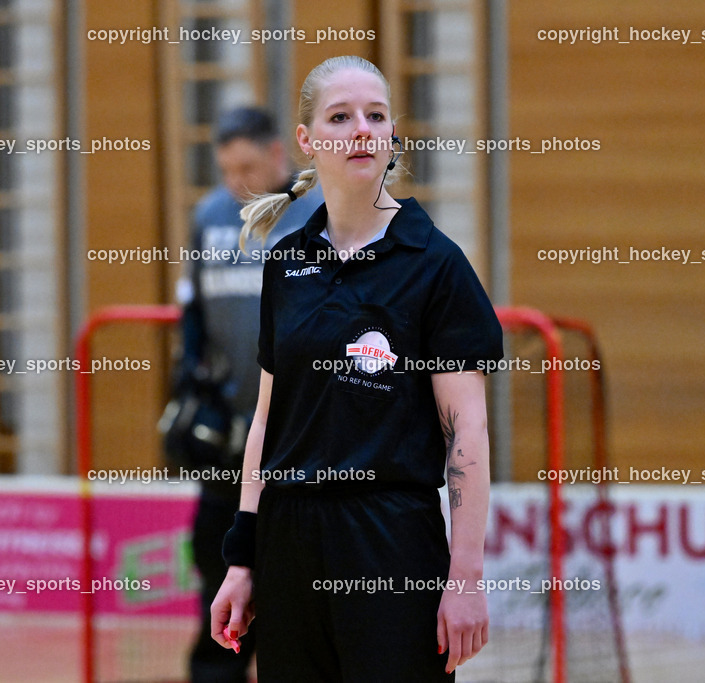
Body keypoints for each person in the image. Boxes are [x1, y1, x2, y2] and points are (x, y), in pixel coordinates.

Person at [210, 56, 504, 682]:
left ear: (393, 133)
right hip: (289, 545)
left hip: (391, 543)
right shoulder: (285, 263)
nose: (361, 130)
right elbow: (268, 419)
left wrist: (466, 579)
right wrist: (243, 557)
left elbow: (467, 436)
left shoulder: (435, 264)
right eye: (340, 117)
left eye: (375, 115)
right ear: (307, 141)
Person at [173, 106, 323, 683]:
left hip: (296, 435)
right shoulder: (210, 214)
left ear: (278, 156)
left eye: (247, 167)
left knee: (290, 581)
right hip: (230, 436)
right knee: (218, 569)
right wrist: (192, 389)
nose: (237, 182)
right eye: (226, 169)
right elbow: (192, 314)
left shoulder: (316, 214)